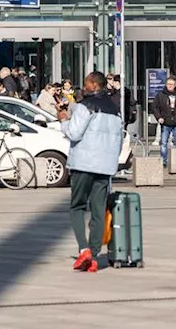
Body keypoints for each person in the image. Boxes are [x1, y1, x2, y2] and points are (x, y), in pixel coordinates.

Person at [58, 72, 123, 273]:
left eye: (86, 83)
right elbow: (119, 141)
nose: (83, 86)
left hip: (83, 164)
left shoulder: (84, 106)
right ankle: (94, 257)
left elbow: (74, 132)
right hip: (104, 166)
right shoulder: (115, 111)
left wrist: (63, 120)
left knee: (77, 206)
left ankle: (84, 249)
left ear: (94, 85)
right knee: (98, 210)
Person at [151, 75, 176, 165]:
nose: (170, 86)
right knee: (163, 143)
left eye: (172, 84)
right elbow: (155, 107)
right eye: (168, 84)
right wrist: (159, 117)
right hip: (165, 122)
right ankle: (164, 161)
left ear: (175, 85)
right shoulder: (160, 95)